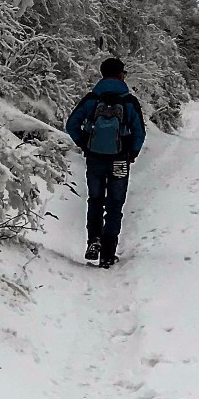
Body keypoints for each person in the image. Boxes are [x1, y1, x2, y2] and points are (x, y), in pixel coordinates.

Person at [65, 56, 146, 267]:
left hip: (95, 158)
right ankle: (108, 253)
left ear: (102, 74)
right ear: (121, 75)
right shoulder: (129, 101)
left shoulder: (92, 98)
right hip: (120, 159)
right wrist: (132, 153)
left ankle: (94, 240)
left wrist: (85, 143)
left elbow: (71, 124)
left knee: (95, 200)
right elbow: (139, 131)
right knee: (115, 204)